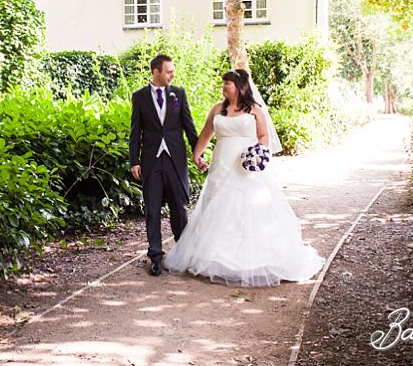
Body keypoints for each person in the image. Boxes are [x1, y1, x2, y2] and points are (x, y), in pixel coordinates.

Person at [164, 68, 324, 286]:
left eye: (227, 84)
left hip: (245, 165)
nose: (223, 87)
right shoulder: (217, 109)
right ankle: (217, 257)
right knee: (217, 206)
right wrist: (197, 155)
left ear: (240, 87)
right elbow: (205, 134)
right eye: (223, 84)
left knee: (247, 206)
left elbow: (263, 135)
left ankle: (254, 259)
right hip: (221, 162)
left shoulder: (254, 110)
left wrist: (259, 153)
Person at [129, 54, 199, 276]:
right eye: (168, 71)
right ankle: (156, 257)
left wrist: (198, 155)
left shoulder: (178, 94)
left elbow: (189, 128)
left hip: (175, 160)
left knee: (179, 206)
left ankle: (183, 251)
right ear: (155, 72)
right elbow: (135, 132)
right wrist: (134, 161)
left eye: (173, 71)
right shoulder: (139, 97)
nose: (172, 75)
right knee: (152, 210)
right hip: (151, 161)